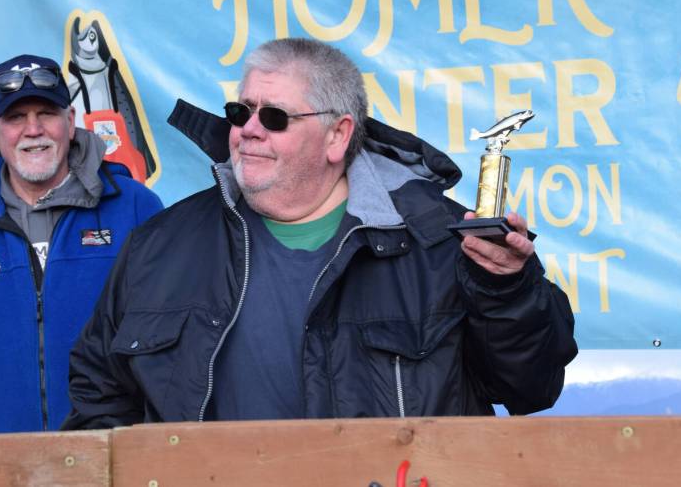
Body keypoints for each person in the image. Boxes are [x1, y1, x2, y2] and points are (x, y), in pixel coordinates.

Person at [63, 38, 576, 428]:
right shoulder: (161, 244)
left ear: (338, 135)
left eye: (275, 116)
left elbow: (532, 387)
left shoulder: (440, 240)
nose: (248, 129)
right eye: (240, 111)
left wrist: (506, 291)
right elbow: (99, 397)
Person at [0, 54, 163, 436]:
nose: (32, 130)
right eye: (16, 117)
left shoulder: (135, 208)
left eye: (46, 113)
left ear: (70, 122)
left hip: (113, 465)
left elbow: (176, 356)